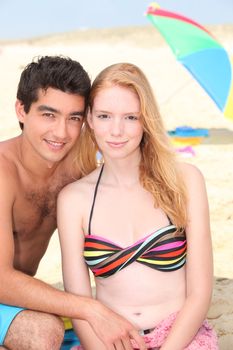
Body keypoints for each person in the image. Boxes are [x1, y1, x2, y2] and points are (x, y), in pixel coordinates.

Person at [57, 62, 219, 349]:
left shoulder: (184, 181)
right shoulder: (74, 200)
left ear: (146, 120)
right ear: (90, 119)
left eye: (130, 117)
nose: (117, 130)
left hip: (180, 338)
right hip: (109, 342)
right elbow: (80, 306)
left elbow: (200, 293)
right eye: (105, 116)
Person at [0, 56, 146, 350]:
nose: (61, 132)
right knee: (44, 331)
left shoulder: (77, 169)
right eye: (48, 115)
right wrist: (90, 308)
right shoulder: (3, 173)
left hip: (10, 300)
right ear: (21, 110)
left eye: (74, 118)